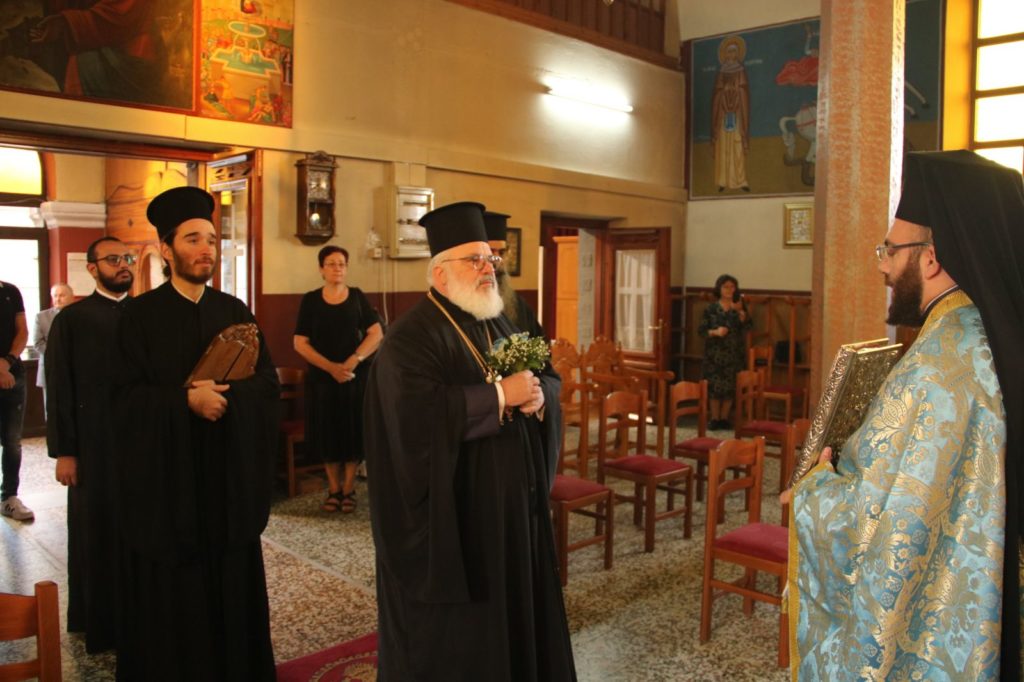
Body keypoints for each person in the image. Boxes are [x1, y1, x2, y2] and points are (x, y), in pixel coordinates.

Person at [785, 150, 1024, 679]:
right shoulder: (989, 342)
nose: (882, 265)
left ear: (931, 258)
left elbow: (878, 521)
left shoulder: (934, 369)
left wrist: (815, 485)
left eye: (890, 250)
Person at [364, 201, 576, 681]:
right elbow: (412, 418)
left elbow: (544, 377)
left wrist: (538, 397)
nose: (488, 269)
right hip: (459, 517)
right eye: (475, 260)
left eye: (490, 259)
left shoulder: (497, 320)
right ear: (440, 273)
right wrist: (500, 396)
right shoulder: (409, 338)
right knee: (468, 639)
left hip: (511, 512)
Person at [113, 186, 279, 681]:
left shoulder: (235, 311)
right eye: (192, 239)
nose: (206, 248)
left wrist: (228, 398)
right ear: (166, 250)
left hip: (227, 480)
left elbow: (267, 385)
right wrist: (183, 401)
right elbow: (121, 399)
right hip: (170, 488)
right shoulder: (137, 317)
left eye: (211, 239)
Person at [45, 238, 134, 653]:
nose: (122, 265)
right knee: (95, 532)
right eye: (113, 259)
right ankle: (98, 620)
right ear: (93, 269)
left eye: (127, 258)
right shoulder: (72, 320)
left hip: (138, 445)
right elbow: (60, 387)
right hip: (92, 446)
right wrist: (66, 451)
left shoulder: (145, 314)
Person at [293, 245, 382, 513]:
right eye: (331, 264)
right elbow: (300, 342)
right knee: (328, 434)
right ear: (321, 269)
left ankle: (348, 489)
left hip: (354, 377)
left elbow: (376, 333)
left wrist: (353, 360)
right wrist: (331, 368)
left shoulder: (356, 297)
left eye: (342, 263)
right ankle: (333, 489)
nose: (337, 268)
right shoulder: (311, 300)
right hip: (323, 379)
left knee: (352, 433)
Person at [698, 273, 750, 429]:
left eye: (732, 287)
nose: (729, 290)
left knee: (731, 385)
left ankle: (724, 418)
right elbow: (701, 331)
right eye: (726, 287)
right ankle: (714, 418)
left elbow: (748, 326)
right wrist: (715, 332)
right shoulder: (711, 309)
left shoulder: (739, 306)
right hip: (714, 354)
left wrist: (741, 314)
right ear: (719, 289)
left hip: (734, 352)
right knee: (714, 386)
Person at [483, 210, 544, 338]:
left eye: (501, 252)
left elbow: (539, 341)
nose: (497, 260)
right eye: (490, 251)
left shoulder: (518, 304)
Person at [0, 280, 32, 521]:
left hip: (13, 373)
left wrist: (6, 362)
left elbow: (22, 331)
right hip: (5, 372)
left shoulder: (10, 291)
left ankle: (9, 497)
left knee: (12, 441)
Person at [711, 35, 751, 192]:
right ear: (725, 54)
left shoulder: (740, 71)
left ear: (737, 54)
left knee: (737, 146)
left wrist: (736, 93)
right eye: (728, 52)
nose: (731, 55)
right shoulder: (721, 72)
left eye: (734, 52)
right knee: (723, 147)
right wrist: (723, 93)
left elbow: (744, 90)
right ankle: (722, 181)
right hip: (723, 114)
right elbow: (717, 91)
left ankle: (740, 181)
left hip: (736, 114)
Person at [34, 282, 74, 415]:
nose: (58, 299)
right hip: (50, 368)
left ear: (72, 297)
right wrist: (57, 355)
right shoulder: (41, 317)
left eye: (62, 295)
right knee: (51, 411)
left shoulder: (80, 316)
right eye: (55, 296)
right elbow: (38, 343)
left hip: (74, 368)